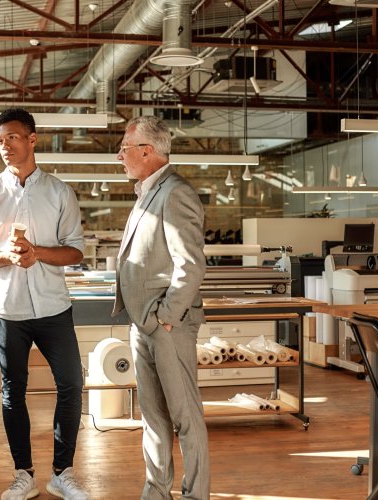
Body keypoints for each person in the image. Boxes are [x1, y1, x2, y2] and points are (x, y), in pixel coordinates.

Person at [0, 108, 89, 500]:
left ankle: (62, 473)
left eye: (12, 137)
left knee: (71, 383)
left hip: (54, 308)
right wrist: (7, 257)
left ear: (32, 139)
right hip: (7, 310)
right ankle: (24, 475)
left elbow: (76, 252)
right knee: (12, 391)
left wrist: (38, 254)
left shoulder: (60, 192)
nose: (5, 145)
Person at [112, 115, 210, 500]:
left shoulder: (175, 192)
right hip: (144, 323)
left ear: (147, 151)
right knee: (153, 418)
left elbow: (191, 265)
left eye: (125, 148)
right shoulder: (147, 193)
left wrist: (166, 318)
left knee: (185, 418)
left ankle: (195, 494)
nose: (119, 155)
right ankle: (156, 491)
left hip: (167, 325)